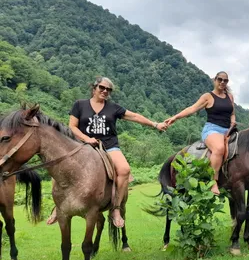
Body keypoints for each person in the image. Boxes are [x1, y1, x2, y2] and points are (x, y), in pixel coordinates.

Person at [47, 76, 168, 228]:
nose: (105, 91)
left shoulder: (113, 107)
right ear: (94, 88)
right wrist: (87, 138)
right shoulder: (79, 105)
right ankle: (57, 206)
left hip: (109, 146)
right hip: (82, 146)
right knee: (59, 168)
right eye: (102, 88)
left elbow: (135, 116)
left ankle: (116, 208)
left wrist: (155, 124)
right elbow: (72, 127)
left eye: (108, 90)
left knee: (124, 170)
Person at [165, 71, 236, 195]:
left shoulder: (230, 97)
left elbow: (232, 113)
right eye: (220, 79)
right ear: (215, 80)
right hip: (213, 129)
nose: (222, 82)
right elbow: (192, 109)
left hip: (228, 130)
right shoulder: (208, 97)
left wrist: (233, 122)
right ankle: (213, 182)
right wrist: (175, 117)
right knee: (219, 149)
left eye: (225, 80)